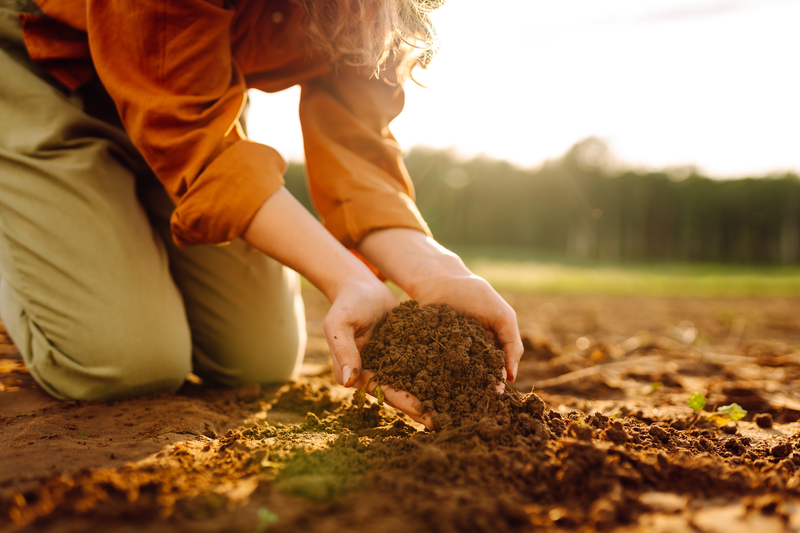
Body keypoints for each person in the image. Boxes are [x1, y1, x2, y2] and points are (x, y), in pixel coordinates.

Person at [0, 0, 522, 429]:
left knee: (258, 357)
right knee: (124, 361)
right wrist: (343, 274)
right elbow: (194, 143)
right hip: (49, 66)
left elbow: (357, 144)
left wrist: (435, 269)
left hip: (199, 96)